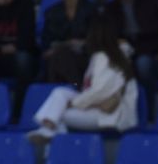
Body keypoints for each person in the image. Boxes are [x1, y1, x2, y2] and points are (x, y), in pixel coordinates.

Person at [26, 12, 138, 142]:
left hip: (109, 114)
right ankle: (48, 131)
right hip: (98, 107)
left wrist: (74, 103)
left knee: (58, 115)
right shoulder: (111, 54)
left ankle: (51, 138)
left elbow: (99, 92)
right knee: (60, 93)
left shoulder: (105, 57)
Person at [41, 0, 96, 88]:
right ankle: (76, 89)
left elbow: (95, 40)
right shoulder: (52, 12)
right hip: (56, 57)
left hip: (83, 58)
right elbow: (46, 42)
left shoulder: (90, 10)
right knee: (59, 56)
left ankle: (58, 93)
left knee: (62, 57)